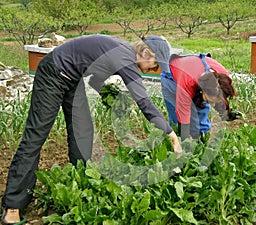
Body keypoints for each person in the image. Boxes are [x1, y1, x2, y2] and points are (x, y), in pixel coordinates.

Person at [1, 34, 182, 225]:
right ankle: (13, 206)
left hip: (73, 79)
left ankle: (81, 185)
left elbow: (94, 74)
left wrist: (108, 93)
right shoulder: (125, 57)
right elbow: (144, 102)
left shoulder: (120, 53)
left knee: (83, 132)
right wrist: (171, 134)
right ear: (145, 52)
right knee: (36, 136)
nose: (153, 70)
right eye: (154, 65)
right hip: (53, 73)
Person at [143, 36, 236, 141]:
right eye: (211, 100)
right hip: (172, 78)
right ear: (203, 90)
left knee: (201, 111)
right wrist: (185, 142)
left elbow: (219, 96)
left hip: (193, 72)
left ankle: (202, 138)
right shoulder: (187, 82)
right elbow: (183, 114)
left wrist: (226, 112)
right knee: (176, 117)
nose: (213, 105)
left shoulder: (222, 79)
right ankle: (176, 140)